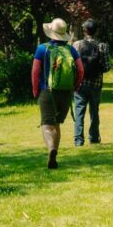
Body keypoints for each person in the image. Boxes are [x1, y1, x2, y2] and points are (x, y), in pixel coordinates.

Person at [31, 17, 83, 169]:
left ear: (51, 32)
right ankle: (55, 152)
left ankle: (51, 149)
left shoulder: (42, 48)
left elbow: (35, 72)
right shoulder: (71, 49)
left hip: (47, 90)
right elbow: (80, 70)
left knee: (47, 124)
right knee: (57, 124)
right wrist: (76, 86)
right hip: (66, 91)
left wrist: (35, 90)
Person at [72, 18, 111, 146]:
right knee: (94, 112)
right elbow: (106, 67)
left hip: (80, 84)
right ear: (96, 31)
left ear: (84, 30)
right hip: (96, 84)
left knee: (79, 112)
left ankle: (78, 140)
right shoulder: (102, 46)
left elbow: (73, 65)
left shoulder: (76, 45)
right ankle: (94, 138)